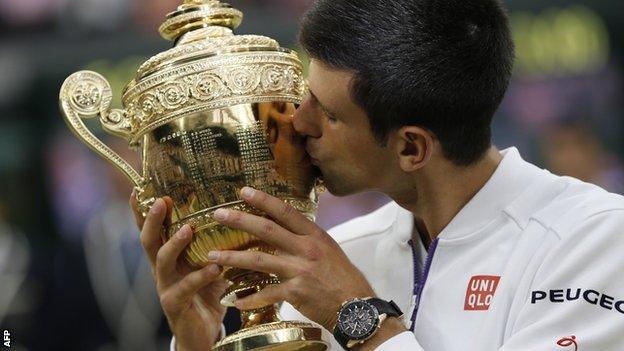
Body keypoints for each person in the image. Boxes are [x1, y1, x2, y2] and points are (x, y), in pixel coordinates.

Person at [131, 0, 624, 350]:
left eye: (328, 114)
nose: (298, 124)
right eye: (305, 95)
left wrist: (361, 319)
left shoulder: (595, 241)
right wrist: (199, 341)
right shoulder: (329, 255)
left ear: (411, 146)